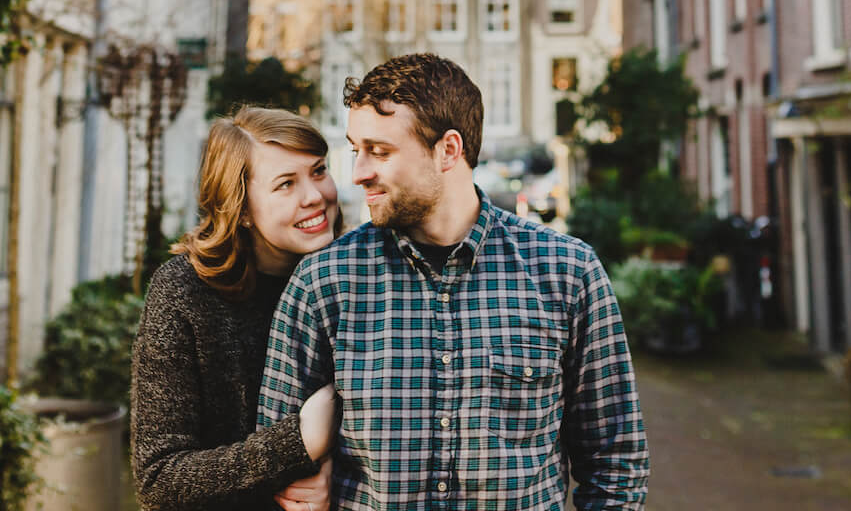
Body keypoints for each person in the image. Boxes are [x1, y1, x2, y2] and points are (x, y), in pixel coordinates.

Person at [256, 54, 649, 509]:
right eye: (355, 150)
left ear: (448, 150)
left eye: (379, 152)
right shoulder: (326, 281)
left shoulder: (567, 272)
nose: (359, 172)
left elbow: (615, 461)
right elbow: (278, 457)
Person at [132, 107, 345, 511]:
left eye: (319, 171)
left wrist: (338, 479)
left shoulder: (356, 283)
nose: (315, 196)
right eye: (286, 184)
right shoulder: (184, 293)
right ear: (242, 208)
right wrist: (296, 444)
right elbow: (158, 481)